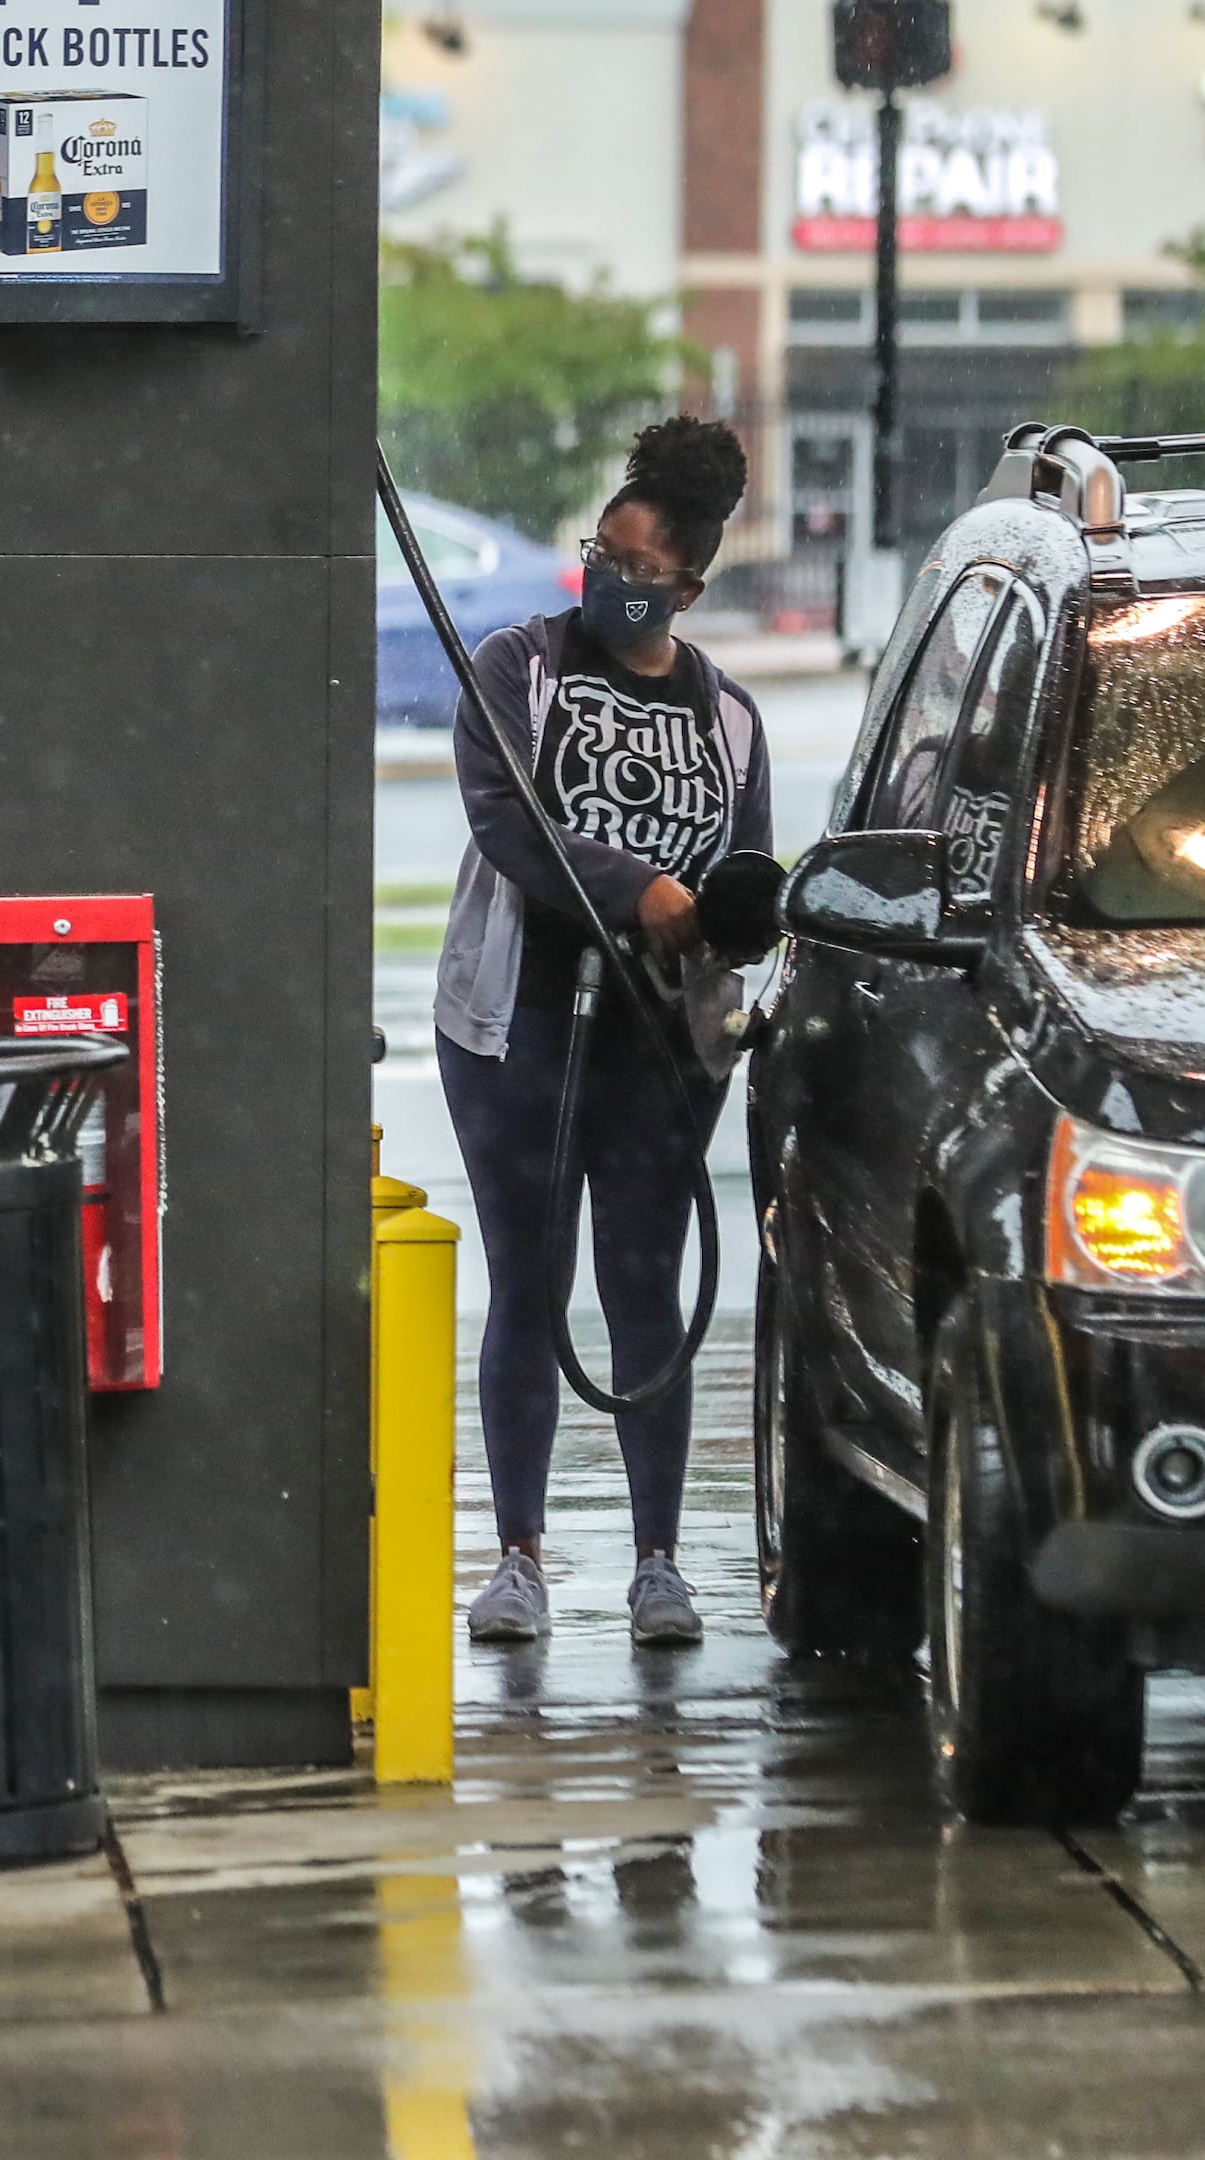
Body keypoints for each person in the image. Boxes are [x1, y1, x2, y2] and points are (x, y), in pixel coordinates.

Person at [432, 416, 769, 1650]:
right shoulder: (516, 668)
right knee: (529, 1284)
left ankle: (659, 1564)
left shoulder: (728, 718)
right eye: (601, 551)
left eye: (638, 567)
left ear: (689, 584)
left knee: (645, 1292)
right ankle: (517, 1558)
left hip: (660, 1044)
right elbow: (510, 830)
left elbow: (742, 883)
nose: (610, 581)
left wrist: (725, 921)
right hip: (515, 1022)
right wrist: (643, 890)